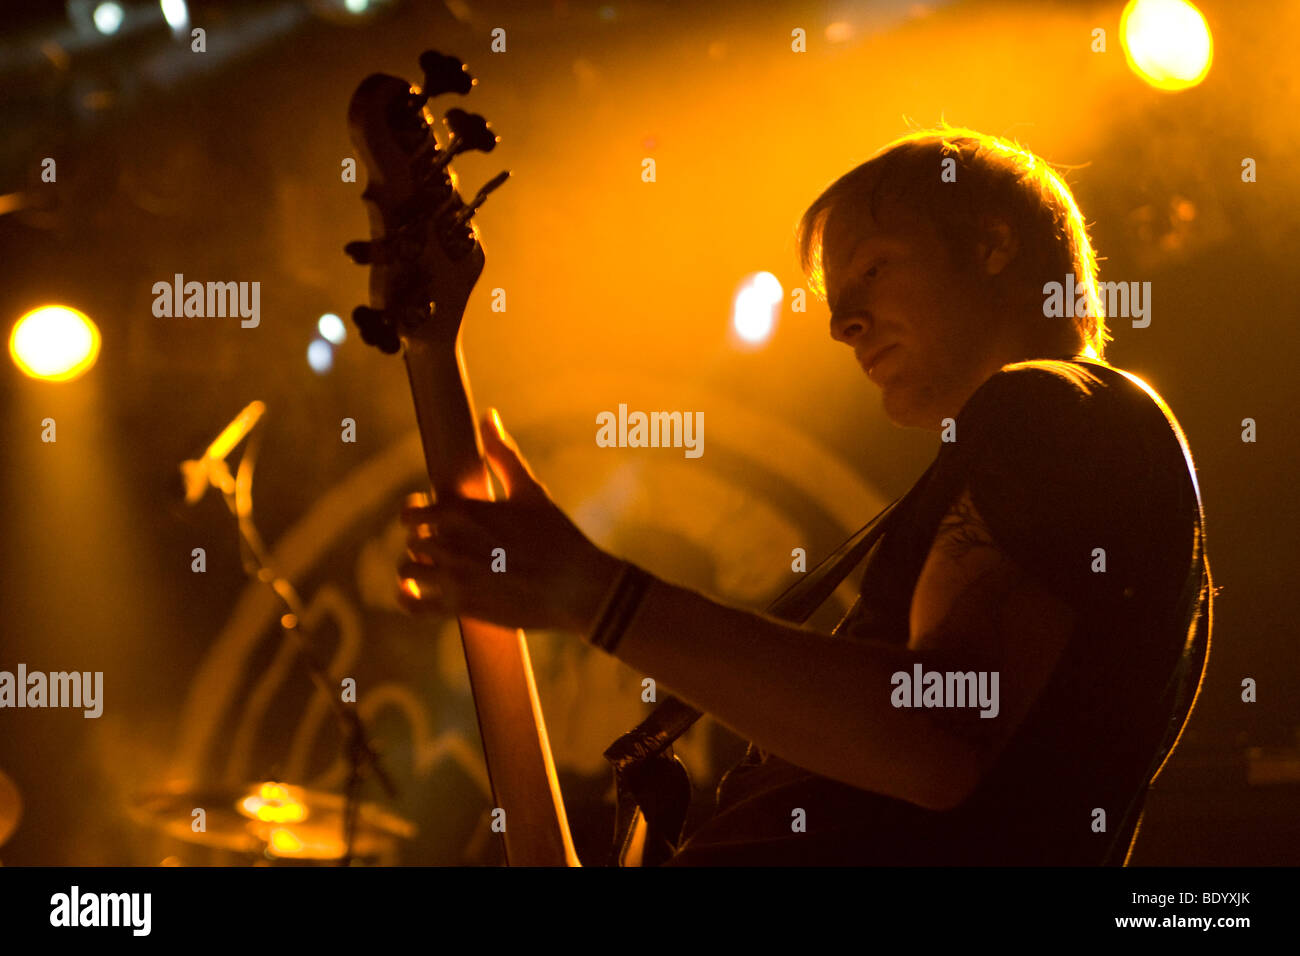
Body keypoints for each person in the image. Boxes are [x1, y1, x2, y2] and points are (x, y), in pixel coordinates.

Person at [395, 125, 1208, 865]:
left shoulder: (1055, 402)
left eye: (873, 269)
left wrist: (599, 596)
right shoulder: (1055, 444)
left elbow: (936, 737)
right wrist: (436, 356)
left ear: (992, 244)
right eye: (833, 297)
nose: (842, 324)